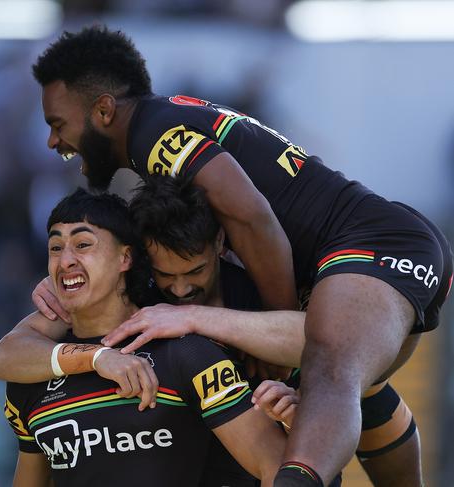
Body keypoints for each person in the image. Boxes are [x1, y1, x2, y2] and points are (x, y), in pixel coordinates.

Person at [27, 25, 454, 486]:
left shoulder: (154, 134)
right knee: (359, 385)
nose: (54, 141)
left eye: (57, 124)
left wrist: (276, 338)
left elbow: (254, 218)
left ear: (104, 110)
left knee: (329, 366)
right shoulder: (165, 123)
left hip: (376, 244)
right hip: (371, 250)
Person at [4, 187, 287, 487]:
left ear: (125, 257)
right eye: (55, 248)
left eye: (83, 244)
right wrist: (97, 357)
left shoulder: (189, 354)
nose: (66, 261)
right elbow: (1, 356)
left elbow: (276, 466)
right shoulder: (33, 374)